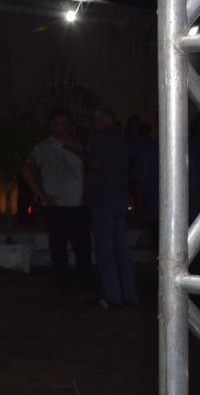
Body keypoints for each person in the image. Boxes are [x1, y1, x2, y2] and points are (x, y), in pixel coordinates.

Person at [23, 110, 98, 296]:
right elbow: (27, 170)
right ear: (52, 127)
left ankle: (86, 285)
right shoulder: (43, 148)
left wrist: (77, 152)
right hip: (55, 207)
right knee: (58, 249)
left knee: (83, 248)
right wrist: (42, 195)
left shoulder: (77, 145)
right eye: (60, 124)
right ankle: (63, 286)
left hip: (78, 207)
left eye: (66, 123)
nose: (64, 127)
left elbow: (94, 165)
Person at [85, 106, 138, 306]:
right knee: (122, 250)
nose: (93, 124)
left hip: (104, 199)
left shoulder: (101, 138)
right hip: (120, 198)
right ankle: (130, 295)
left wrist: (79, 152)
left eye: (94, 119)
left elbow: (95, 163)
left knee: (105, 251)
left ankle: (112, 296)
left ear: (102, 120)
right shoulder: (121, 139)